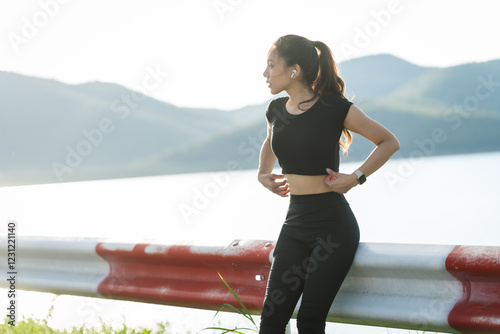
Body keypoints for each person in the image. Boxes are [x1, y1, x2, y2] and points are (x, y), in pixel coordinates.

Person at [257, 34, 400, 334]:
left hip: (332, 227)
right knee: (271, 322)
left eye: (271, 66)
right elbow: (271, 141)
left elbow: (388, 142)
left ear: (293, 70)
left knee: (309, 322)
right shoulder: (276, 110)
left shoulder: (334, 107)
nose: (264, 73)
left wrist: (356, 178)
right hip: (295, 223)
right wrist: (263, 174)